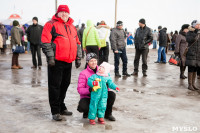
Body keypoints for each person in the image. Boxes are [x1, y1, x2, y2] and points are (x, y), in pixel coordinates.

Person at [41, 5, 81, 121]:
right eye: (62, 12)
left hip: (68, 61)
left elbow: (77, 43)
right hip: (56, 61)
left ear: (69, 14)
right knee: (55, 86)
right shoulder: (51, 24)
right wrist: (50, 57)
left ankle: (61, 106)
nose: (64, 14)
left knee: (65, 84)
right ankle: (55, 110)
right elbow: (45, 41)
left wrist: (78, 57)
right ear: (57, 13)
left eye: (66, 12)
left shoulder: (72, 26)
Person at [77, 53, 117, 121]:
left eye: (95, 60)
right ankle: (87, 112)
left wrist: (107, 87)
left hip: (101, 95)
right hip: (89, 97)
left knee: (111, 94)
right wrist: (90, 89)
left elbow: (108, 82)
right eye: (91, 61)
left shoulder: (103, 70)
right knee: (83, 106)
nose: (94, 62)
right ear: (87, 62)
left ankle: (108, 114)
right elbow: (80, 90)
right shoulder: (83, 73)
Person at [186, 20, 200, 91]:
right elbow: (189, 40)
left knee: (195, 69)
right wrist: (196, 34)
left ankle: (193, 84)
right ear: (194, 25)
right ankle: (190, 84)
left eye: (199, 25)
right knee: (191, 68)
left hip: (198, 54)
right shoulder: (190, 32)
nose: (199, 26)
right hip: (191, 53)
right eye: (197, 24)